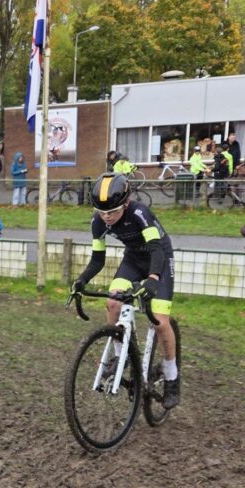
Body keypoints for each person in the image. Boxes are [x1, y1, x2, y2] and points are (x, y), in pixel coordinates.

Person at [71, 173, 180, 409]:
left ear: (126, 203)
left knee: (160, 321)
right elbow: (97, 259)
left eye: (112, 212)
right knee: (113, 302)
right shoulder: (98, 222)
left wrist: (153, 278)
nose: (107, 217)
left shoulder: (140, 213)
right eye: (102, 212)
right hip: (133, 260)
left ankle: (171, 376)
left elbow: (156, 249)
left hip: (159, 259)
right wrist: (82, 280)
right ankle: (121, 356)